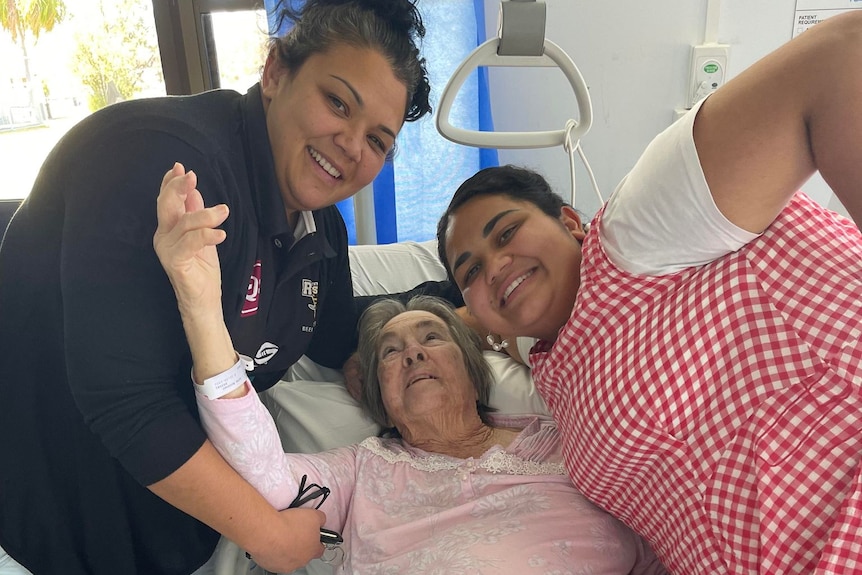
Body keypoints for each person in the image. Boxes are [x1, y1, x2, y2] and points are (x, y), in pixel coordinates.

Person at [0, 1, 431, 573]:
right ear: (275, 71)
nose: (352, 146)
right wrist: (269, 535)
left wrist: (462, 304)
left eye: (378, 140)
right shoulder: (161, 162)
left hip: (180, 524)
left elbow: (332, 332)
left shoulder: (320, 226)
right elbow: (125, 401)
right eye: (337, 102)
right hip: (54, 508)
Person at [435, 11, 862, 575]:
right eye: (470, 270)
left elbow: (840, 56)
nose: (495, 268)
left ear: (570, 222)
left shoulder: (630, 238)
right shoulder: (550, 359)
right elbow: (483, 318)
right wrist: (415, 329)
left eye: (507, 232)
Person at [157, 192, 666, 572]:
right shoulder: (361, 470)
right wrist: (202, 311)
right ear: (381, 400)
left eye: (432, 338)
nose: (414, 353)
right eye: (391, 353)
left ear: (473, 370)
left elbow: (659, 533)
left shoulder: (567, 441)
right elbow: (263, 477)